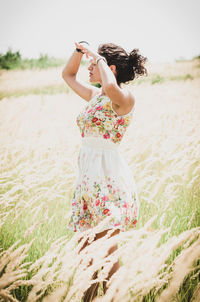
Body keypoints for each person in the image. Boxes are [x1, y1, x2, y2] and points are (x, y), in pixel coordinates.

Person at [62, 41, 147, 301]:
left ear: (109, 67)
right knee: (86, 258)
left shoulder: (123, 99)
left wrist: (96, 55)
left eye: (94, 64)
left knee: (108, 259)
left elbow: (110, 85)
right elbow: (67, 75)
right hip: (88, 183)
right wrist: (79, 51)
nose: (89, 68)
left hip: (109, 184)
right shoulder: (95, 96)